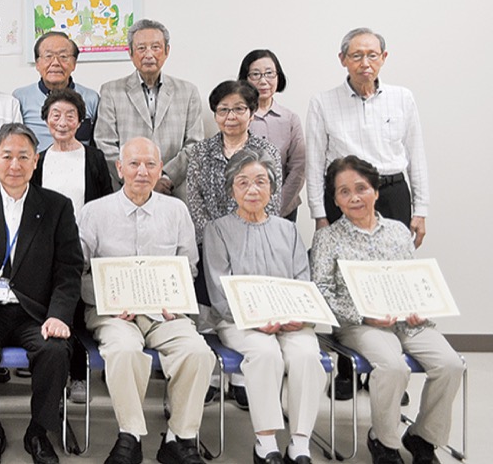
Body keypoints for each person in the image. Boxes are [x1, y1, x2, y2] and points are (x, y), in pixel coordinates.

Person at [311, 156, 462, 464]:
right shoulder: (328, 237)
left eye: (361, 188)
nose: (354, 197)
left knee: (450, 364)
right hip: (359, 324)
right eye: (344, 191)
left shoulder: (397, 232)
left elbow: (413, 279)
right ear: (335, 200)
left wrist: (420, 308)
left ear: (376, 191)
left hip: (407, 321)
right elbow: (321, 292)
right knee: (393, 367)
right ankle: (384, 440)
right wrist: (363, 315)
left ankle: (422, 437)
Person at [0, 123, 83, 464]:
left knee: (55, 350)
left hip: (35, 312)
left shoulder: (57, 206)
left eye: (24, 156)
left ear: (36, 161)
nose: (15, 165)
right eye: (7, 156)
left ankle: (38, 431)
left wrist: (58, 315)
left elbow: (69, 269)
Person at [79, 137, 214, 464]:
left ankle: (179, 438)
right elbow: (76, 270)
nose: (142, 171)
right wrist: (109, 301)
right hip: (113, 314)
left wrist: (176, 302)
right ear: (119, 168)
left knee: (197, 353)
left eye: (150, 164)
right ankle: (131, 436)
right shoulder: (95, 212)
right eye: (134, 164)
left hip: (165, 312)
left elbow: (189, 266)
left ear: (160, 170)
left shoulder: (176, 210)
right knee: (124, 350)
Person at [202, 150, 324, 464]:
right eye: (243, 183)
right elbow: (219, 290)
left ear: (272, 188)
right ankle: (265, 443)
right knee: (265, 353)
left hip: (291, 321)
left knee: (307, 355)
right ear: (232, 190)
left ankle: (299, 444)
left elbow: (302, 281)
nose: (252, 190)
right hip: (239, 322)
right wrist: (256, 320)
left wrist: (297, 317)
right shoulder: (217, 230)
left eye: (260, 182)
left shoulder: (288, 230)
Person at [29, 88, 114, 405]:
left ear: (80, 121)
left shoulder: (94, 158)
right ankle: (54, 374)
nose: (62, 122)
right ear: (46, 120)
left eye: (70, 115)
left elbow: (105, 204)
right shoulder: (38, 159)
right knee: (51, 311)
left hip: (86, 247)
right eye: (55, 115)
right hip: (47, 249)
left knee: (77, 312)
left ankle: (78, 375)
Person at [306, 28, 428, 249]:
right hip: (345, 196)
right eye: (356, 56)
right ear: (343, 59)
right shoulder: (322, 102)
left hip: (392, 193)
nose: (365, 63)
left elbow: (416, 156)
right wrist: (319, 215)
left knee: (393, 264)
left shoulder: (402, 98)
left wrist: (420, 210)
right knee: (344, 264)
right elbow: (314, 164)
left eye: (372, 55)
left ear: (383, 57)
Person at [93, 20, 203, 194]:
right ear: (130, 53)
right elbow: (104, 143)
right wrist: (137, 178)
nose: (149, 54)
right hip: (126, 191)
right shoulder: (111, 91)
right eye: (141, 48)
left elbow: (194, 145)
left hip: (172, 191)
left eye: (156, 47)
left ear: (167, 51)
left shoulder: (188, 91)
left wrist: (165, 178)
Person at [186, 80, 283, 244]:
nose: (231, 116)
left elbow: (272, 202)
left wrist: (246, 237)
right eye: (223, 110)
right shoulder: (200, 152)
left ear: (252, 114)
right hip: (210, 243)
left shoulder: (268, 152)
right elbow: (195, 204)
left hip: (256, 241)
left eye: (239, 109)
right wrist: (215, 237)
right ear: (215, 115)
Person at [238, 50, 306, 222]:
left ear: (278, 76)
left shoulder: (290, 119)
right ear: (245, 79)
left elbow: (298, 167)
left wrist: (277, 206)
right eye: (255, 74)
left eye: (269, 73)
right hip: (243, 207)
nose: (263, 81)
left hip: (285, 208)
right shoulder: (237, 117)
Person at [12, 32, 99, 151]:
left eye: (63, 56)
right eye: (48, 56)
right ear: (37, 64)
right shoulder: (20, 98)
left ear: (74, 63)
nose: (55, 63)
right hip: (37, 162)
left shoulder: (91, 98)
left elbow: (96, 143)